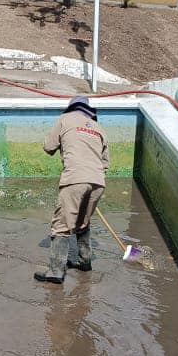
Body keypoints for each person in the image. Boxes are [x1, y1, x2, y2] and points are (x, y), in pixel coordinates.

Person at [35, 96, 110, 284]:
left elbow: (48, 147)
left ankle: (55, 272)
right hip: (98, 182)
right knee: (82, 223)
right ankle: (85, 262)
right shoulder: (99, 128)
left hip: (75, 178)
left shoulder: (64, 119)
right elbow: (105, 163)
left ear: (71, 108)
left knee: (61, 226)